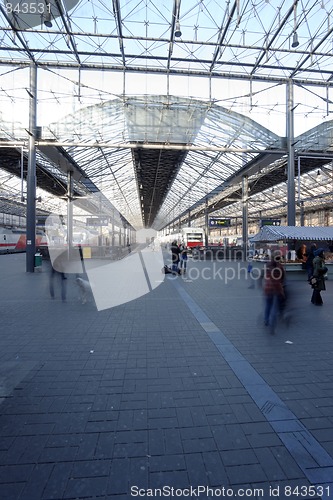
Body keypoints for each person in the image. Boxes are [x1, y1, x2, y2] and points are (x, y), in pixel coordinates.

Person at [263, 253, 285, 333]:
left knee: (268, 305)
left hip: (268, 288)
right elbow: (282, 278)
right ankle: (272, 323)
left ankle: (266, 319)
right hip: (276, 289)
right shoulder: (280, 267)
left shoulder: (268, 266)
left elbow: (265, 276)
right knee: (275, 307)